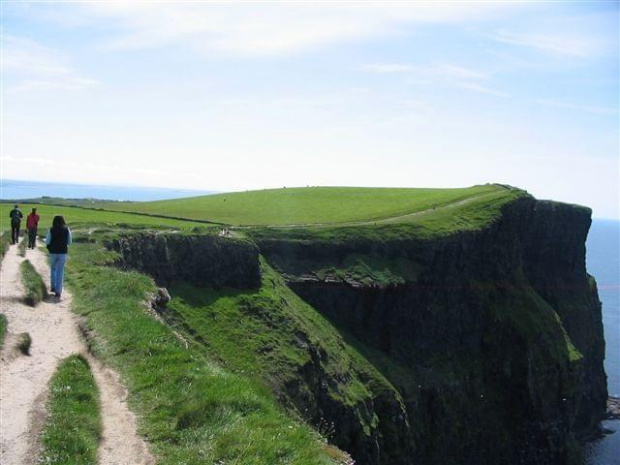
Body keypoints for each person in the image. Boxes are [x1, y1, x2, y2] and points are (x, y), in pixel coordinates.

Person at [45, 215, 72, 300]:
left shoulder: (51, 229)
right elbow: (69, 242)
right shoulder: (67, 230)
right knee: (60, 271)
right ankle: (58, 292)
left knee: (53, 269)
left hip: (53, 252)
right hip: (63, 252)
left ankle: (53, 286)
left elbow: (47, 241)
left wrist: (50, 247)